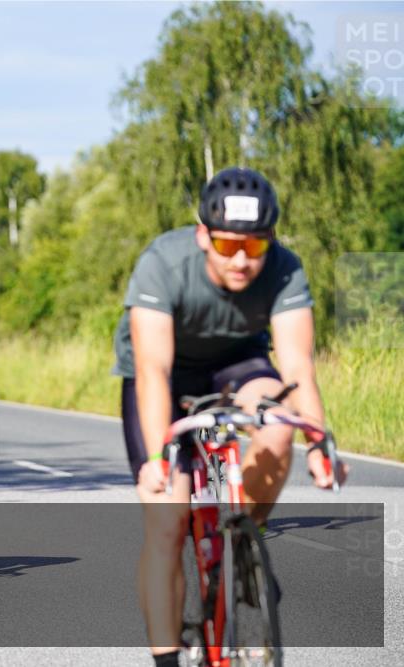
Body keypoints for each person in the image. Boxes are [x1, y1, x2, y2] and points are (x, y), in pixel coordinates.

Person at [112, 167, 348, 666]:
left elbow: (297, 364)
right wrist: (157, 456)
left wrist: (322, 444)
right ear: (203, 236)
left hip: (237, 364)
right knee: (168, 520)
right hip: (166, 374)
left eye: (255, 247)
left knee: (280, 425)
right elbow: (153, 369)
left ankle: (244, 540)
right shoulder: (163, 263)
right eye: (226, 246)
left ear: (271, 241)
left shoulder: (286, 269)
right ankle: (168, 658)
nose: (241, 260)